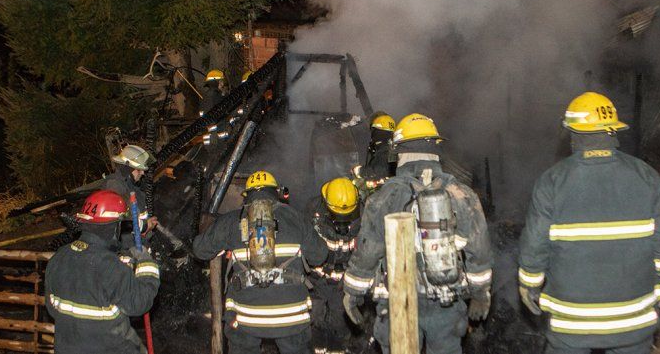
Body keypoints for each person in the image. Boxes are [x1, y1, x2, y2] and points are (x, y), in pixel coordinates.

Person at [518, 92, 660, 354]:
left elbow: (534, 246)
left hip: (571, 323)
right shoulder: (646, 176)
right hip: (634, 319)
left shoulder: (552, 181)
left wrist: (529, 286)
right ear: (613, 131)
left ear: (573, 133)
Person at [343, 113, 493, 354]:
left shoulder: (385, 197)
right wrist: (481, 293)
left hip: (397, 303)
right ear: (436, 149)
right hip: (446, 302)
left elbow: (369, 249)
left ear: (398, 151)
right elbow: (479, 247)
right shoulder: (460, 193)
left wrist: (353, 292)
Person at [193, 170, 327, 354]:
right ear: (276, 192)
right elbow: (320, 255)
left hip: (246, 316)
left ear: (246, 195)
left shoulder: (232, 220)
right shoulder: (296, 218)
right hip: (291, 315)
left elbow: (199, 250)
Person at [45, 190, 160, 354]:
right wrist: (146, 261)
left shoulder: (58, 258)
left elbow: (52, 309)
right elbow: (139, 303)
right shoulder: (111, 267)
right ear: (113, 228)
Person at [308, 177, 362, 353]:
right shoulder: (313, 213)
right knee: (315, 319)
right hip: (317, 280)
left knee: (340, 323)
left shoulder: (362, 214)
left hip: (343, 283)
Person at [106, 144, 157, 241]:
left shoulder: (132, 186)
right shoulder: (114, 186)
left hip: (140, 241)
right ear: (128, 169)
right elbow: (121, 221)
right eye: (139, 170)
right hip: (126, 246)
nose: (142, 173)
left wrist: (147, 224)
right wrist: (146, 226)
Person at [353, 112, 396, 200]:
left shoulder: (384, 149)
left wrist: (359, 171)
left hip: (386, 196)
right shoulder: (395, 147)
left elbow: (378, 171)